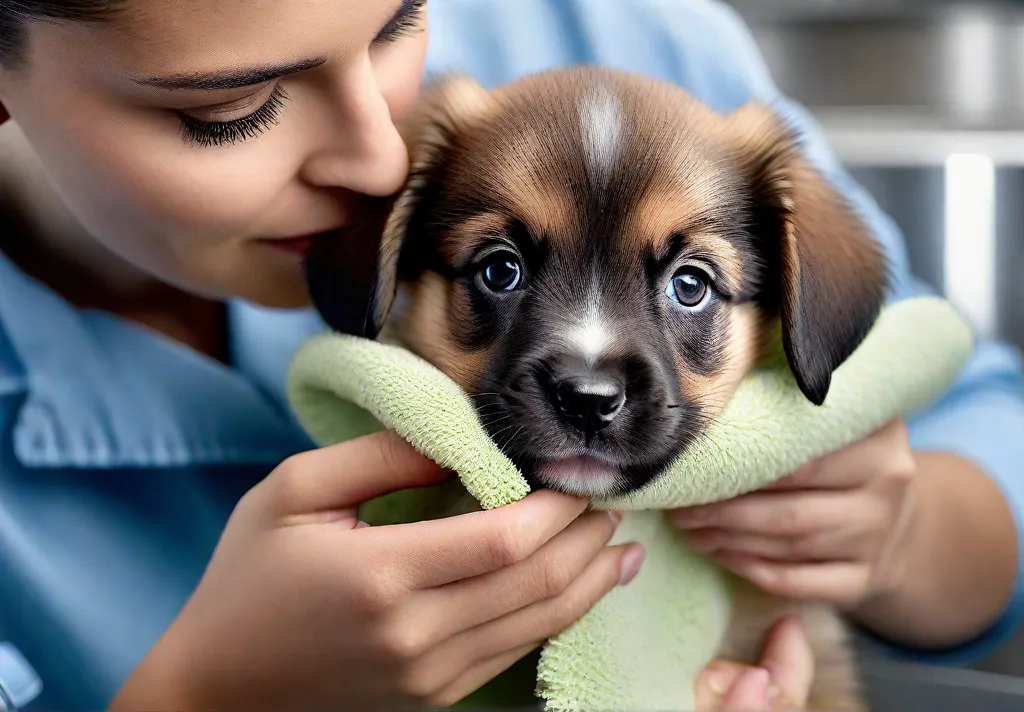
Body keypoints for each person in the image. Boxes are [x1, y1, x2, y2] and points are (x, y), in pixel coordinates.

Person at [0, 0, 1020, 710]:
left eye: (398, 21)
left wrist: (902, 530)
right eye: (232, 108)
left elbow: (984, 423)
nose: (377, 157)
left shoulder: (614, 29)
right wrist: (211, 697)